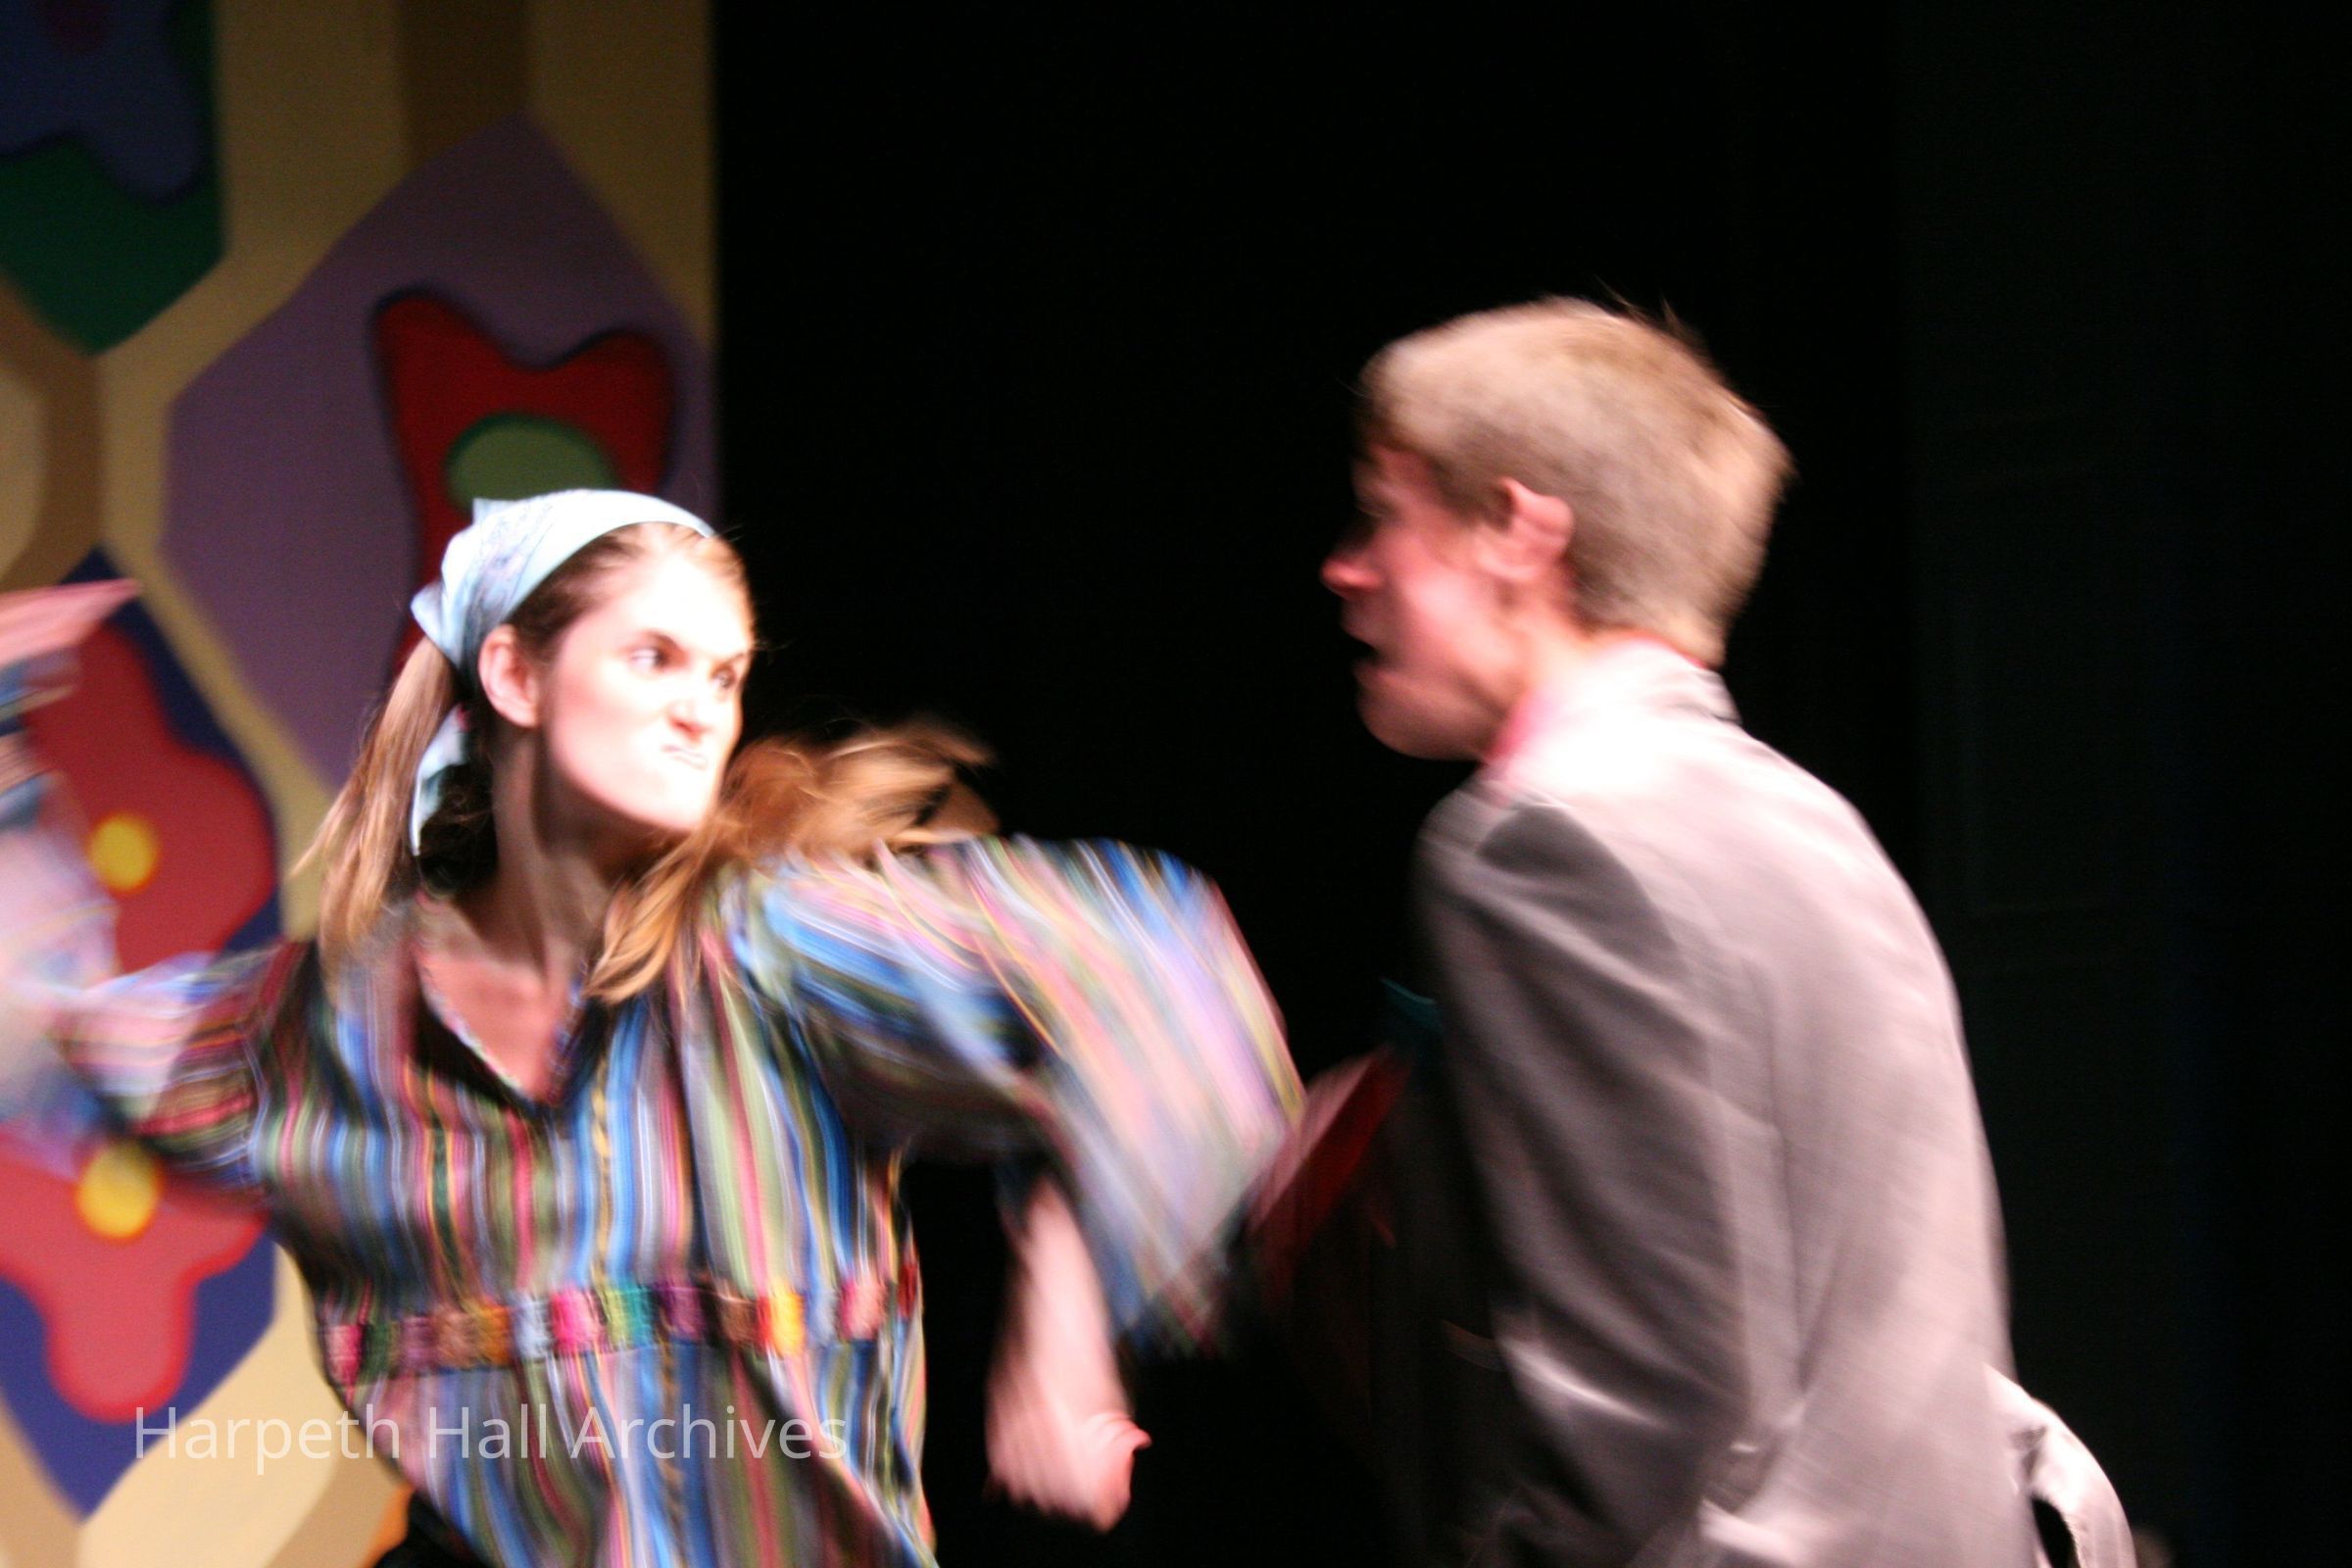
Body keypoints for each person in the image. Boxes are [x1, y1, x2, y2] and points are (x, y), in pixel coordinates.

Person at [0, 491, 1298, 1566]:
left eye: (726, 675)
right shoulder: (322, 1038)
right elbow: (36, 1035)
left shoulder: (779, 958)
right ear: (515, 674)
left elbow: (1155, 968)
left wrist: (1066, 1315)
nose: (702, 710)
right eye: (654, 658)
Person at [1311, 300, 2057, 1566]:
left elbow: (1645, 1432)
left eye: (1386, 515)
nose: (1348, 569)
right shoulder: (1808, 823)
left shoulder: (1544, 842)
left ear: (1518, 531)